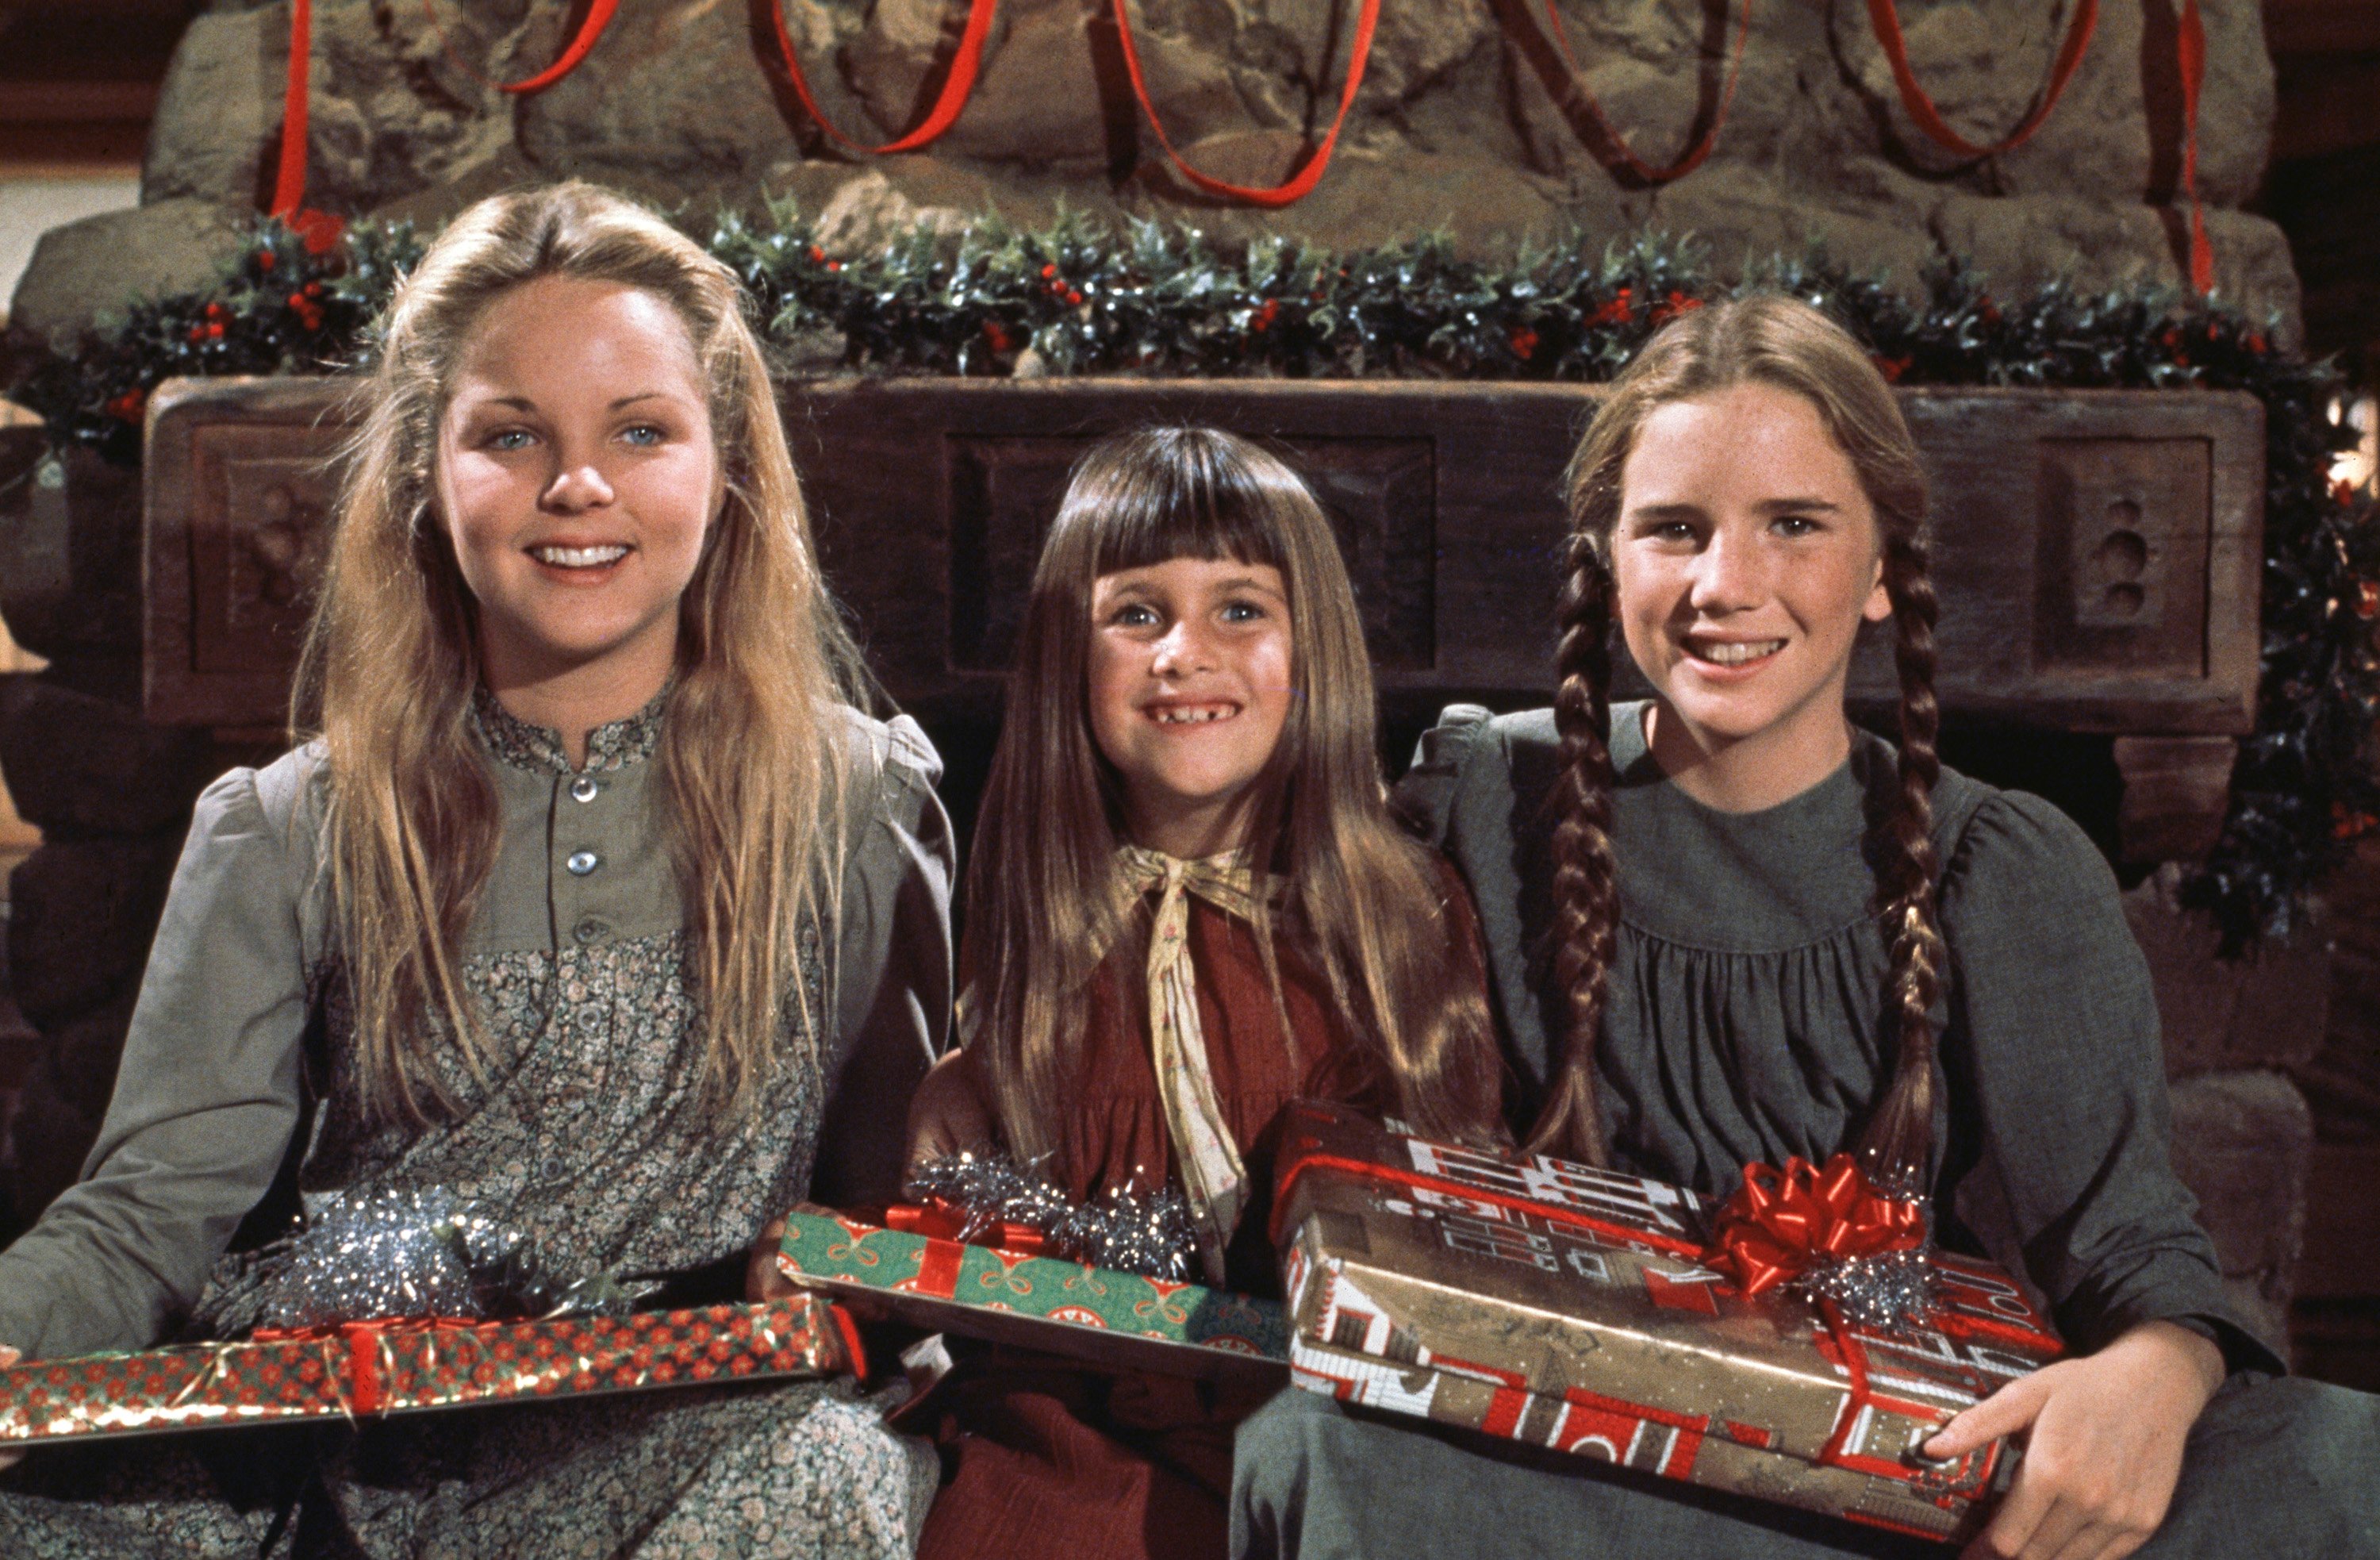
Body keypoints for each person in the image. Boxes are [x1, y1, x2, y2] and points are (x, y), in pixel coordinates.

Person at [1231, 295, 2380, 1559]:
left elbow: (2133, 1246)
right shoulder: (1485, 799)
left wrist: (2156, 1371)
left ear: (1882, 567)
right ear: (1605, 558)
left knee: (2340, 1459)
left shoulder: (1998, 865)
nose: (1727, 586)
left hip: (1909, 1473)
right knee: (1319, 1448)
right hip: (1605, 1477)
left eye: (1794, 524)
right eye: (1675, 528)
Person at [0, 181, 954, 1558]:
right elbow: (147, 1211)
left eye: (641, 431)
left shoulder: (858, 805)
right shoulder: (292, 823)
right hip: (358, 1449)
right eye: (512, 435)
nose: (579, 486)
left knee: (825, 1476)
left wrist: (835, 1273)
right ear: (423, 470)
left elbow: (889, 1211)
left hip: (706, 1440)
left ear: (727, 463)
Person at [898, 427, 1507, 1560]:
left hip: (1326, 1427)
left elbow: (1453, 1232)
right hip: (1072, 1430)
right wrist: (956, 1117)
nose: (1185, 653)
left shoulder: (1394, 913)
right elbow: (988, 1221)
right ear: (1068, 657)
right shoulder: (1046, 918)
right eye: (1137, 614)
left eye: (1240, 609)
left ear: (1311, 646)